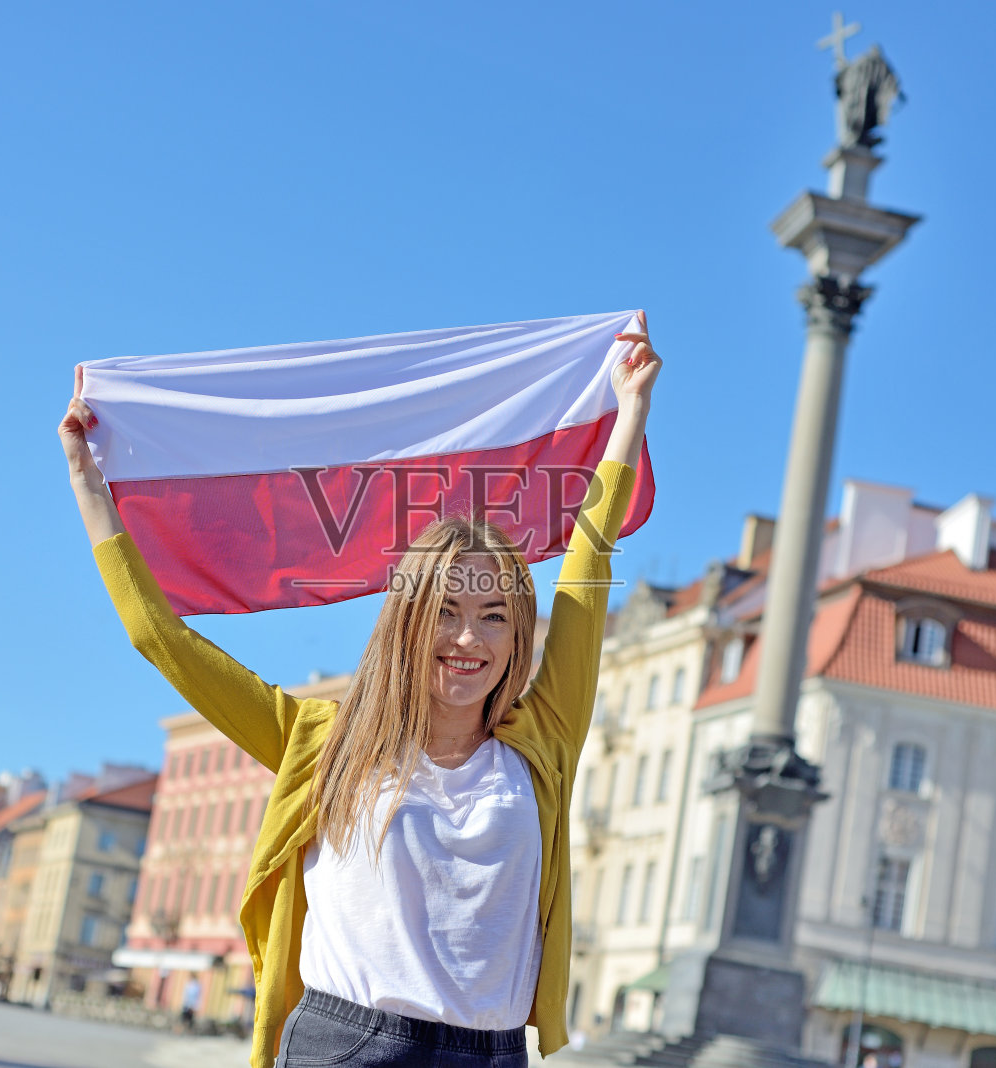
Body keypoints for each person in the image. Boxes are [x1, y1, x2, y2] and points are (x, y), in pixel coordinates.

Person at [60, 316, 661, 1068]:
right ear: (406, 624)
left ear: (519, 637)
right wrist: (91, 487)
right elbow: (161, 640)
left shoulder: (545, 743)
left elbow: (588, 558)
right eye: (445, 612)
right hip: (348, 1047)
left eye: (493, 616)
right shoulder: (322, 742)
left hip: (493, 1055)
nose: (468, 639)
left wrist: (629, 413)